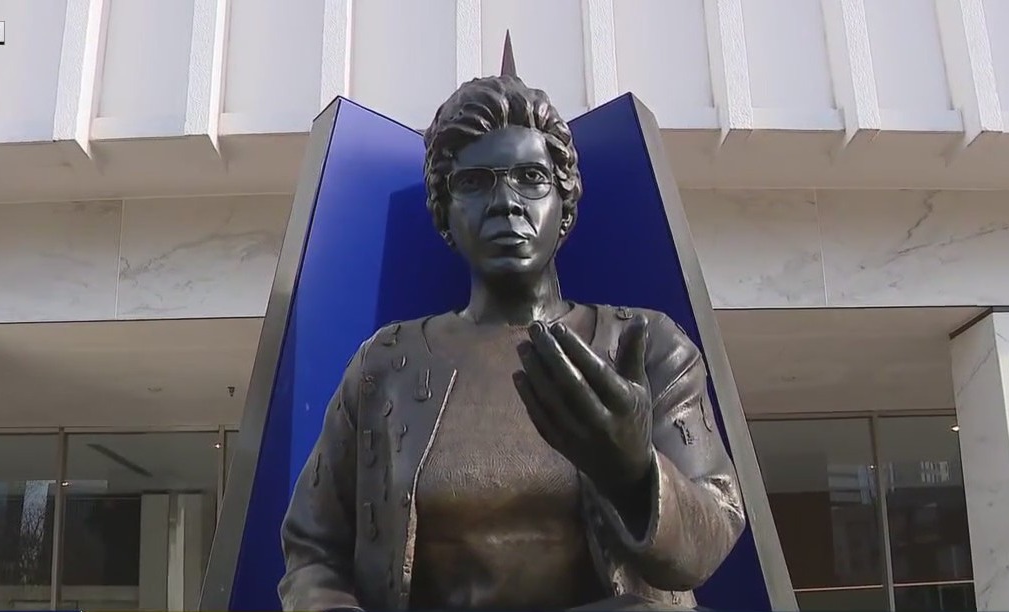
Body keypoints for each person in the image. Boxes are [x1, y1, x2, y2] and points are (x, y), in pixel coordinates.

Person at [278, 74, 745, 611]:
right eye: (475, 182)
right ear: (444, 211)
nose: (505, 202)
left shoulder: (645, 344)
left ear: (565, 205)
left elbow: (711, 537)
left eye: (530, 177)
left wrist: (635, 472)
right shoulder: (386, 363)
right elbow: (313, 548)